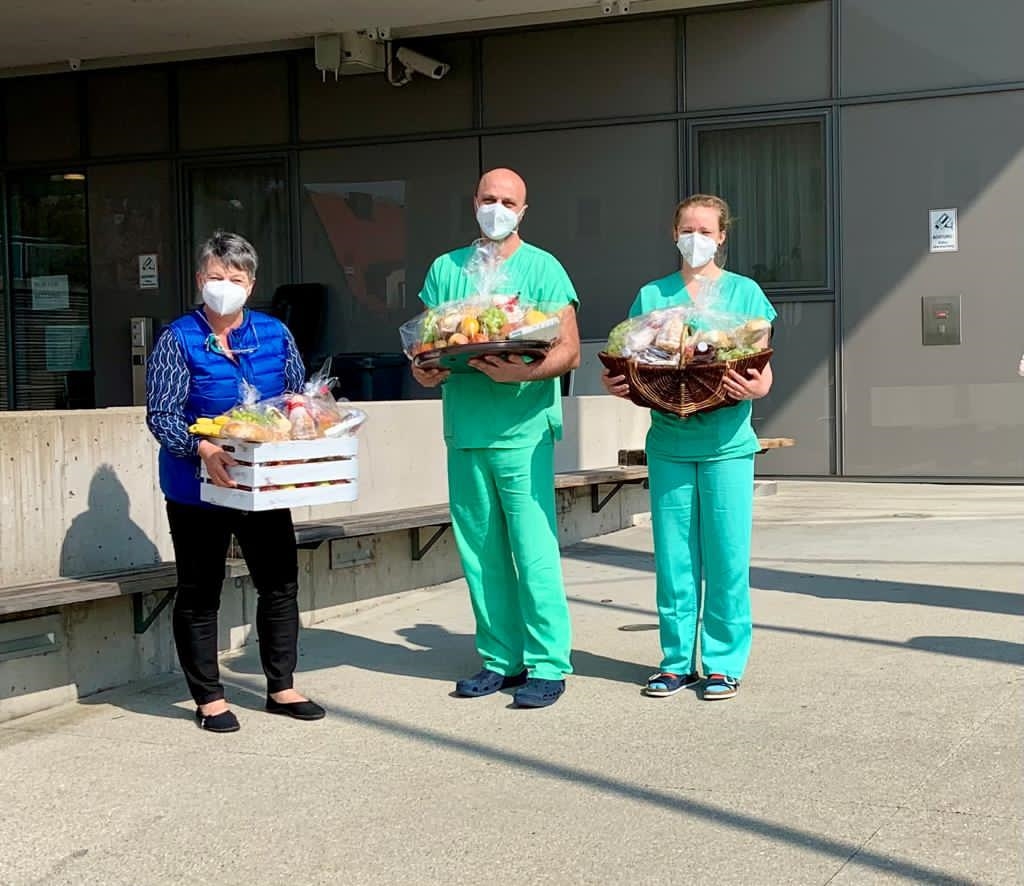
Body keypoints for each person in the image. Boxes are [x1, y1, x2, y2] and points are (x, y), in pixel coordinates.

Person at [412, 168, 581, 708]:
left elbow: (568, 350)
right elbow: (430, 342)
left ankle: (549, 662)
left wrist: (522, 374)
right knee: (480, 552)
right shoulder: (446, 269)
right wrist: (424, 369)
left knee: (533, 551)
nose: (497, 208)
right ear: (474, 202)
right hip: (465, 430)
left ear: (524, 211)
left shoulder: (543, 267)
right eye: (489, 198)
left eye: (509, 201)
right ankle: (499, 659)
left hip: (524, 432)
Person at [146, 231, 325, 732]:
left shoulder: (274, 333)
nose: (226, 286)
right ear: (201, 279)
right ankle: (209, 698)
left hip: (262, 485)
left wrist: (302, 414)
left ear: (252, 284)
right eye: (217, 277)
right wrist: (201, 446)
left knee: (279, 584)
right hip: (196, 487)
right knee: (201, 590)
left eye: (236, 279)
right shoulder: (177, 338)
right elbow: (161, 415)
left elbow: (295, 392)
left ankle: (281, 687)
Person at [602, 194, 775, 701]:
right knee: (674, 561)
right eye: (687, 229)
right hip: (670, 442)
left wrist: (755, 389)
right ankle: (675, 661)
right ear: (673, 233)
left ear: (723, 236)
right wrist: (625, 383)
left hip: (727, 443)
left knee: (726, 558)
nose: (695, 239)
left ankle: (723, 663)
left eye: (705, 230)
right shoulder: (652, 295)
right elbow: (634, 357)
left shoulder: (745, 294)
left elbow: (762, 374)